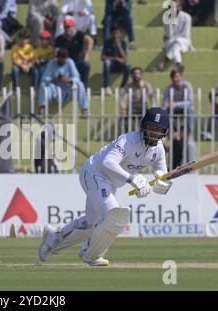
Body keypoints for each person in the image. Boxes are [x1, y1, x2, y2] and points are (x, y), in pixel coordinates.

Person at [39, 107, 172, 266]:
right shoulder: (128, 140)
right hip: (94, 173)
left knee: (90, 223)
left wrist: (161, 183)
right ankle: (91, 254)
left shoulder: (159, 150)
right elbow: (108, 162)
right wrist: (132, 180)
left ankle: (54, 237)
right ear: (144, 126)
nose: (154, 133)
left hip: (110, 182)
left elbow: (162, 174)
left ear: (164, 131)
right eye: (151, 128)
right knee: (115, 215)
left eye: (158, 130)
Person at [38, 48, 89, 116]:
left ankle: (84, 109)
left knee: (80, 84)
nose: (62, 60)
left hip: (68, 90)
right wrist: (53, 80)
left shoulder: (70, 62)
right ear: (57, 57)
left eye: (64, 59)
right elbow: (44, 78)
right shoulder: (52, 63)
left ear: (67, 58)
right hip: (55, 90)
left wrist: (69, 80)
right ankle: (42, 107)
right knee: (43, 85)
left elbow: (77, 77)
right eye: (60, 58)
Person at [153, 0, 193, 72]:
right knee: (175, 45)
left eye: (175, 6)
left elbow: (185, 34)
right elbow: (168, 34)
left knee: (177, 43)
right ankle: (178, 64)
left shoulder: (187, 17)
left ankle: (162, 63)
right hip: (171, 41)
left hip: (184, 41)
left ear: (180, 7)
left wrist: (174, 38)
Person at [55, 17, 93, 88]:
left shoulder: (79, 35)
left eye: (69, 27)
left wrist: (87, 56)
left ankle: (83, 87)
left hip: (79, 61)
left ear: (73, 26)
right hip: (66, 63)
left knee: (85, 66)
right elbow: (56, 51)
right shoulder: (59, 39)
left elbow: (90, 40)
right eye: (66, 27)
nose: (67, 29)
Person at [102, 27, 131, 96]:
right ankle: (107, 87)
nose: (115, 35)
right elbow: (103, 57)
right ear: (111, 34)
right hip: (111, 65)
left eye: (117, 33)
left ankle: (123, 87)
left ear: (120, 34)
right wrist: (116, 58)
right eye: (114, 33)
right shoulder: (107, 43)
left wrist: (119, 46)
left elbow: (125, 59)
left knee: (128, 65)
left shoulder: (123, 43)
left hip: (120, 66)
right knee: (107, 62)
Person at [163, 69, 194, 133]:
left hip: (185, 108)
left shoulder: (187, 86)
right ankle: (169, 133)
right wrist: (166, 107)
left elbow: (190, 102)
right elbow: (165, 103)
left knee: (188, 110)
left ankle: (189, 133)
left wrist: (176, 104)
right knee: (166, 112)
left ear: (181, 77)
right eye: (173, 77)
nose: (175, 79)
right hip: (173, 109)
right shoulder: (169, 88)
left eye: (177, 77)